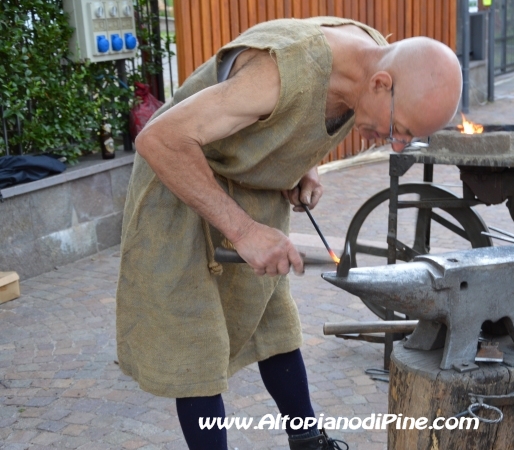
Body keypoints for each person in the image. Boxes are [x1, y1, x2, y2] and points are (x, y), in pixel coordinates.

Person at [116, 16, 462, 450]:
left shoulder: (370, 57)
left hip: (249, 183)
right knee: (196, 346)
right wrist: (242, 231)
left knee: (272, 321)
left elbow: (298, 118)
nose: (393, 144)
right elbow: (159, 139)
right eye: (400, 130)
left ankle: (307, 443)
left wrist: (303, 163)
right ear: (380, 83)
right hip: (180, 184)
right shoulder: (279, 73)